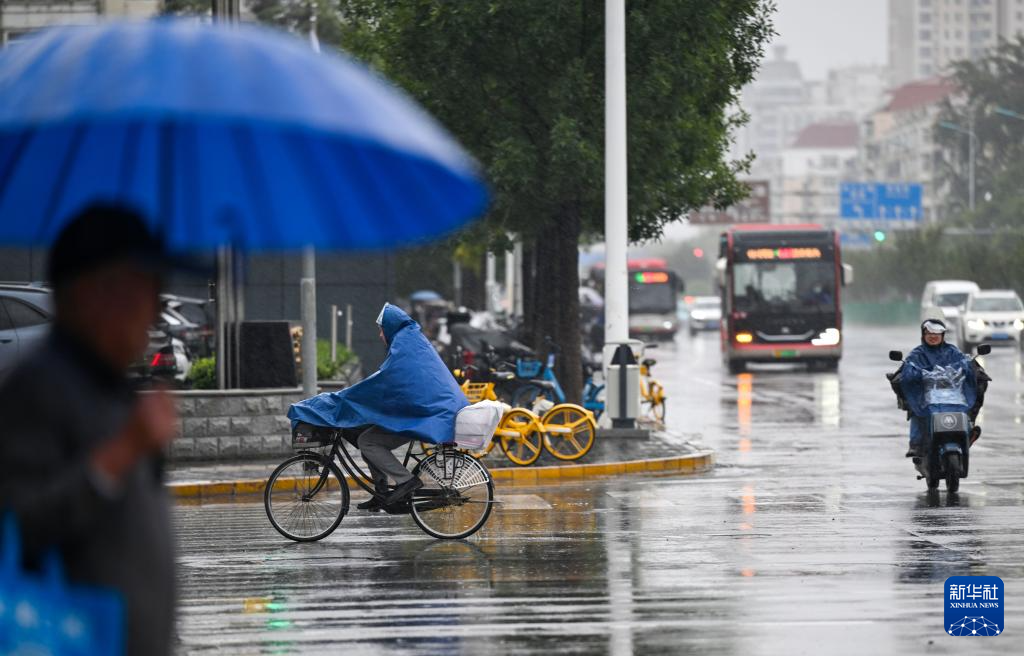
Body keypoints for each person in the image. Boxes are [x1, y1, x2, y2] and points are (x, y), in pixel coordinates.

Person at [0, 205, 180, 655]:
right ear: (92, 294)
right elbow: (18, 523)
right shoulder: (38, 388)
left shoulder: (106, 386)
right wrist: (121, 453)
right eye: (143, 291)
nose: (153, 313)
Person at [288, 303, 467, 511]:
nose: (381, 335)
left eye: (382, 330)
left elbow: (386, 380)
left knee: (368, 442)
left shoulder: (404, 344)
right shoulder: (407, 340)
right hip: (426, 411)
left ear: (391, 326)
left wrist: (351, 396)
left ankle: (407, 481)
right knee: (365, 438)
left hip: (428, 414)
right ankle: (381, 493)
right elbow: (391, 380)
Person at [898, 319, 982, 457]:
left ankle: (967, 433)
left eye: (937, 334)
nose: (933, 336)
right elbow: (908, 369)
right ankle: (916, 444)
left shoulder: (953, 351)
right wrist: (916, 374)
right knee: (917, 410)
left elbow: (965, 363)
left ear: (942, 335)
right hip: (926, 395)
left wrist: (968, 367)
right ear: (923, 335)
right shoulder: (917, 354)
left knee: (965, 407)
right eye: (929, 333)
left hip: (953, 393)